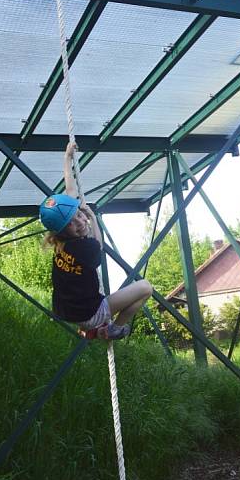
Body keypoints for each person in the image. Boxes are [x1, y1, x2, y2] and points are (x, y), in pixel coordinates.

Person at [39, 141, 152, 340]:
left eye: (78, 216)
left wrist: (67, 158)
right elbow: (98, 246)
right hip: (88, 314)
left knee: (132, 291)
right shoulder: (83, 247)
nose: (80, 222)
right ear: (63, 231)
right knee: (145, 288)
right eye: (72, 224)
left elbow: (70, 190)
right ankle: (112, 329)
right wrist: (92, 218)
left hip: (66, 310)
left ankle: (93, 330)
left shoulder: (60, 241)